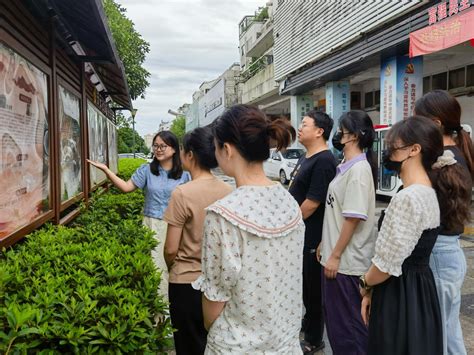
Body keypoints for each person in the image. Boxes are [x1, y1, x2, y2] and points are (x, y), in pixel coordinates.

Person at [192, 104, 304, 353]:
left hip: (237, 346)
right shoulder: (289, 202)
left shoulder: (222, 215)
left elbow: (214, 301)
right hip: (285, 343)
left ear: (227, 150)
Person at [359, 116, 469, 354]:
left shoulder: (408, 197)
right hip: (420, 291)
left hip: (399, 293)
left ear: (414, 150)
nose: (389, 152)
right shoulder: (428, 191)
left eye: (394, 146)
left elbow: (386, 264)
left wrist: (364, 284)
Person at [87, 130, 190, 299]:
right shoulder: (147, 170)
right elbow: (126, 187)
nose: (158, 149)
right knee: (157, 268)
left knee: (179, 268)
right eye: (155, 145)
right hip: (153, 224)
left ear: (174, 149)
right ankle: (163, 315)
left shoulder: (186, 174)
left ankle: (179, 308)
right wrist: (106, 170)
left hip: (179, 226)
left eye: (163, 146)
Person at [163, 127, 232, 355]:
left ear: (190, 155)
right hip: (220, 282)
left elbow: (171, 248)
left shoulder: (182, 193)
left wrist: (172, 267)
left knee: (187, 344)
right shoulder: (228, 190)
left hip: (185, 281)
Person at [414, 90, 472, 355]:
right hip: (448, 251)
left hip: (439, 252)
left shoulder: (444, 161)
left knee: (441, 334)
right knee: (447, 331)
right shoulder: (458, 153)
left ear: (436, 123)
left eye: (418, 120)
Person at [318, 110, 377, 355]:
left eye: (341, 130)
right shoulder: (346, 166)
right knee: (338, 328)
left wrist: (335, 254)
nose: (337, 135)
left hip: (347, 266)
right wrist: (325, 242)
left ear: (352, 136)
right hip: (337, 260)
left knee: (349, 332)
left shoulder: (359, 170)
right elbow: (339, 211)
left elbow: (353, 218)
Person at [288, 110, 337, 353]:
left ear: (319, 131)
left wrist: (286, 223)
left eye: (305, 124)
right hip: (300, 235)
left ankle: (314, 339)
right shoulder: (306, 157)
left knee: (313, 292)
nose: (300, 127)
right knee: (305, 289)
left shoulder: (325, 160)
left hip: (313, 238)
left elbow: (312, 203)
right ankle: (308, 328)